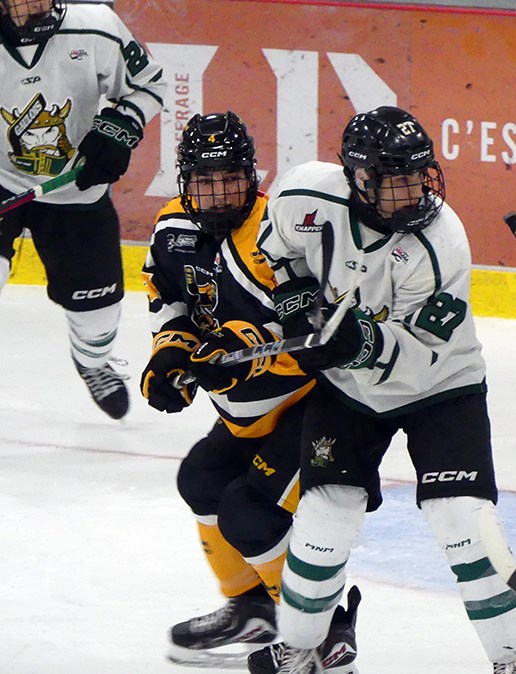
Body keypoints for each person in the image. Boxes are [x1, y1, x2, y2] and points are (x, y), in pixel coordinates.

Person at [252, 105, 516, 674]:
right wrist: (296, 301)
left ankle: (513, 659)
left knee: (463, 524)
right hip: (348, 394)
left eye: (418, 174)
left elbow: (420, 357)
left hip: (443, 387)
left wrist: (352, 342)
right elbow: (277, 251)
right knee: (324, 522)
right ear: (357, 178)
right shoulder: (305, 196)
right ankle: (301, 646)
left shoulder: (443, 243)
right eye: (395, 180)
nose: (414, 191)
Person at [139, 112, 359, 670]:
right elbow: (172, 302)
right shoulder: (173, 232)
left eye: (230, 178)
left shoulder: (278, 230)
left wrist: (240, 352)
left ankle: (326, 631)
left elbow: (311, 331)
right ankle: (253, 609)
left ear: (251, 175)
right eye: (204, 182)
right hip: (247, 413)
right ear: (185, 181)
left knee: (251, 514)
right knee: (202, 481)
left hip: (314, 405)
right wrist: (169, 352)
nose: (217, 194)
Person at [0, 0, 164, 419]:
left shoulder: (95, 27)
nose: (39, 3)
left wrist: (120, 127)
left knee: (99, 315)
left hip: (74, 188)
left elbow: (149, 83)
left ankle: (92, 363)